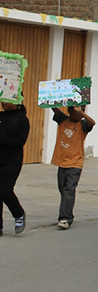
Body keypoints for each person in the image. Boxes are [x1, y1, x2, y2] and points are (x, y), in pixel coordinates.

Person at [49, 106, 96, 230]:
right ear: (69, 111)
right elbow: (54, 108)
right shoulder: (63, 120)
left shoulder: (83, 125)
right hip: (61, 162)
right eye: (76, 111)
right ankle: (67, 213)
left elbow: (93, 122)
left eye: (82, 111)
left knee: (68, 190)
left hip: (75, 163)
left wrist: (82, 112)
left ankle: (65, 218)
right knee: (62, 189)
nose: (80, 114)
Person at [0, 101, 30, 236]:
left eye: (8, 99)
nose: (3, 102)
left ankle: (18, 214)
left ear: (17, 101)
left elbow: (20, 141)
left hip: (12, 160)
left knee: (5, 191)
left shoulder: (22, 119)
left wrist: (2, 140)